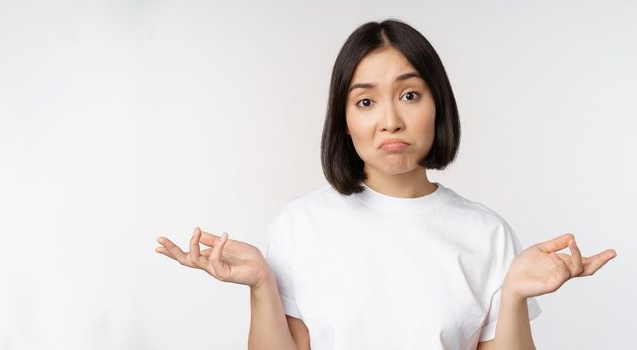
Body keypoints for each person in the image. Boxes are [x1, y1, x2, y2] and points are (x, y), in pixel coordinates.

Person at [154, 19, 617, 350]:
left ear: (438, 106)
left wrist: (514, 293)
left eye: (410, 95)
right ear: (344, 119)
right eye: (366, 101)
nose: (390, 121)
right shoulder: (300, 226)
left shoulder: (487, 233)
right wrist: (261, 284)